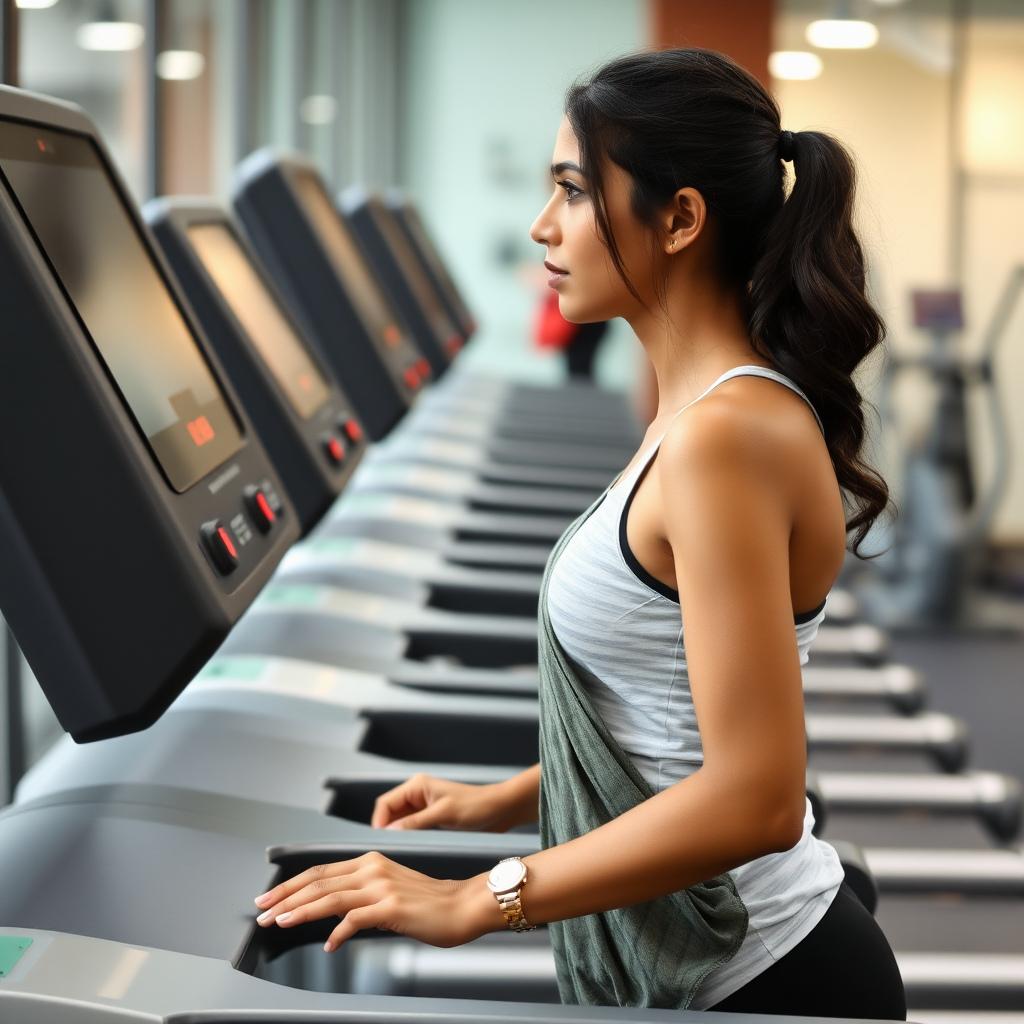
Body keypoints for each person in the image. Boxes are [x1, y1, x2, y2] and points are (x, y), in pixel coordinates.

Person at [252, 49, 905, 1019]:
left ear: (679, 219)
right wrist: (509, 795)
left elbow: (757, 795)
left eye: (571, 190)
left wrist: (482, 894)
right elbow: (664, 712)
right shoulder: (693, 415)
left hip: (768, 975)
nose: (541, 226)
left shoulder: (725, 436)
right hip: (719, 965)